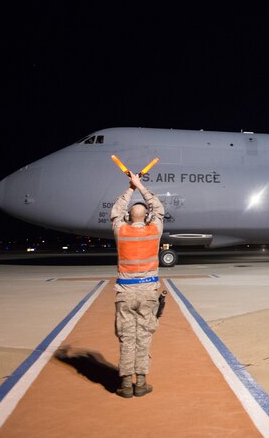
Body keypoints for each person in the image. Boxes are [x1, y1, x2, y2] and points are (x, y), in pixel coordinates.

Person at [110, 170, 165, 398]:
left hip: (125, 292)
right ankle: (141, 383)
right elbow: (159, 208)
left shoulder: (120, 230)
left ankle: (125, 385)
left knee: (127, 338)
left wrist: (130, 188)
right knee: (144, 337)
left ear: (128, 216)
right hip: (148, 293)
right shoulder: (155, 230)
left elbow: (116, 211)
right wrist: (140, 185)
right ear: (147, 216)